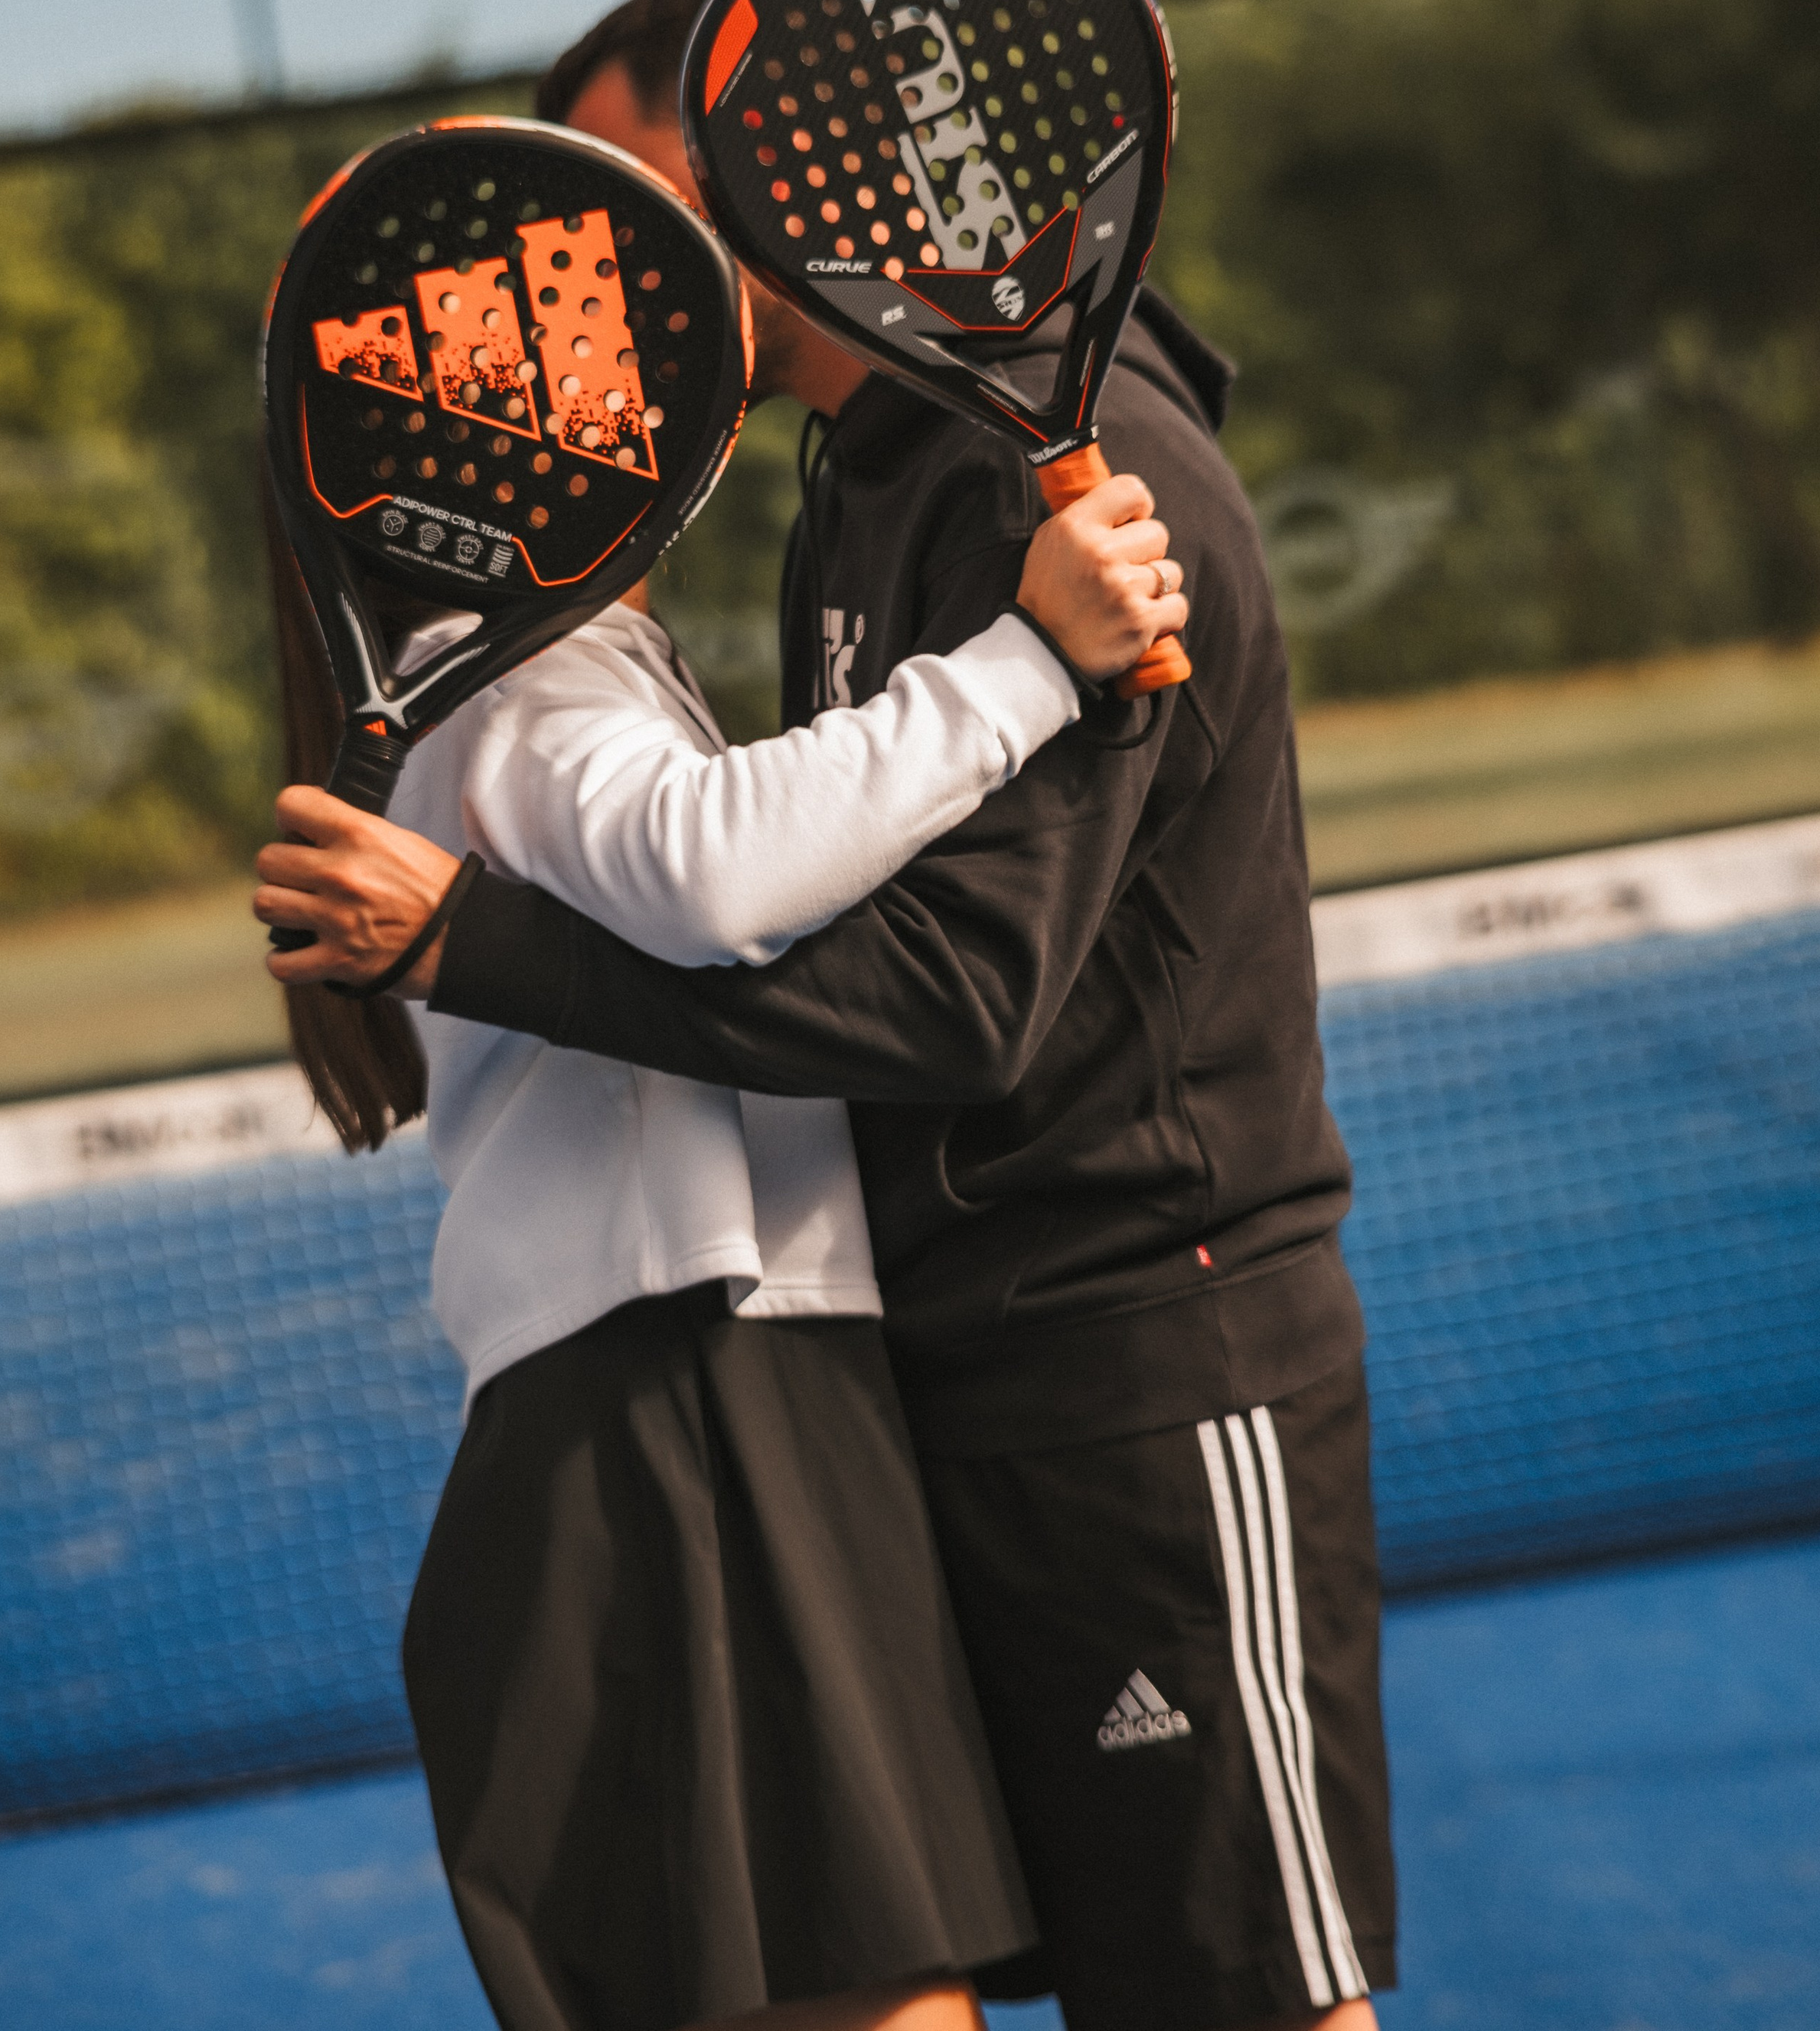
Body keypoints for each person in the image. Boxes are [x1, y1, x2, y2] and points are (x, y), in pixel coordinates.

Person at [264, 0, 1396, 2031]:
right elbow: (756, 899)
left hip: (1136, 1346)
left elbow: (949, 995)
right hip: (856, 1389)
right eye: (583, 236)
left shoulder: (1068, 474)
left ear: (808, 162)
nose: (625, 276)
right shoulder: (836, 501)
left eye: (646, 192)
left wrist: (474, 947)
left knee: (1235, 1998)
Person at [259, 264, 1188, 2031]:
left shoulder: (527, 656)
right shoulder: (531, 672)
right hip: (684, 1398)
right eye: (587, 361)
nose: (648, 369)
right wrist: (1023, 658)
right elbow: (710, 875)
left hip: (703, 1387)